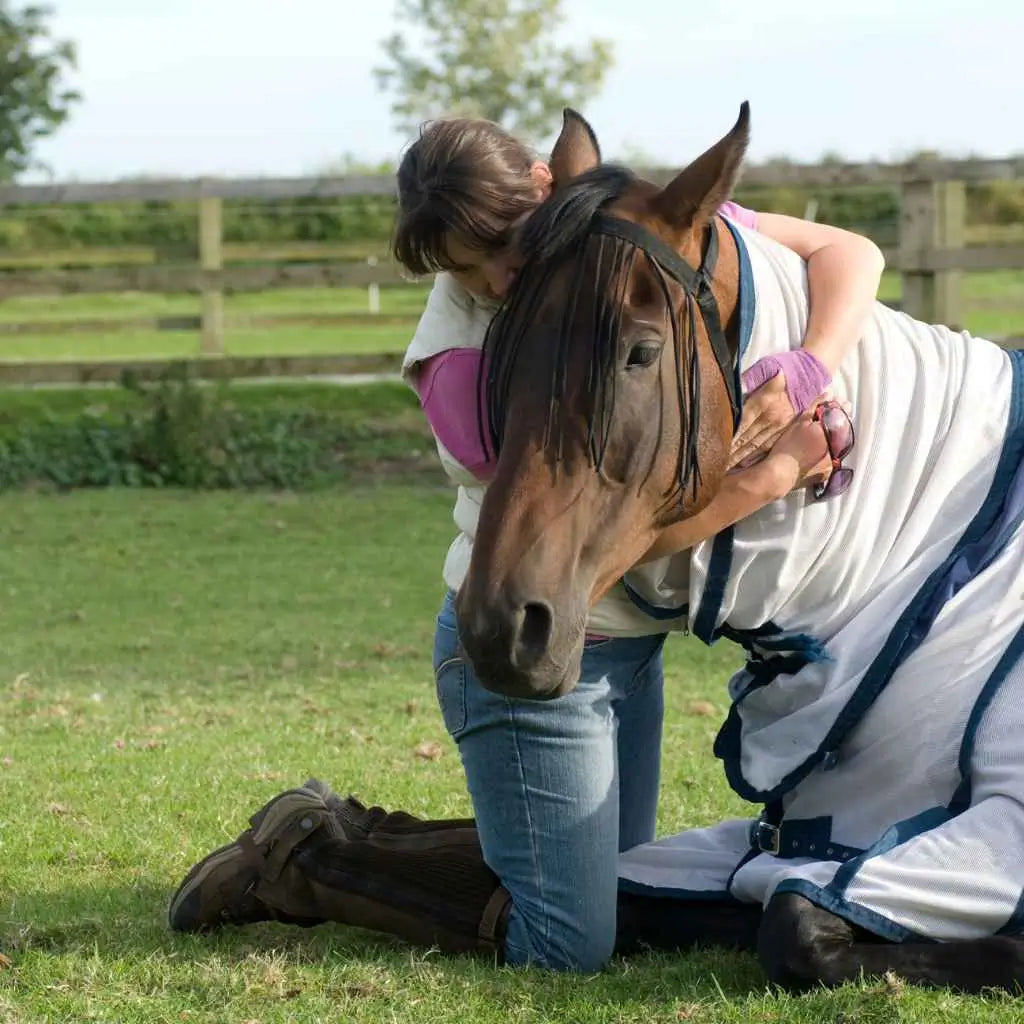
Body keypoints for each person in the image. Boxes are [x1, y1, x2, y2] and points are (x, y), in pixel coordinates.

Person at [167, 116, 884, 971]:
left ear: (550, 189)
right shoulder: (467, 365)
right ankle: (310, 864)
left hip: (622, 651)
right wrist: (770, 474)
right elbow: (632, 530)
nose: (493, 278)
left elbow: (852, 252)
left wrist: (813, 363)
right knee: (569, 944)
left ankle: (348, 834)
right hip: (519, 643)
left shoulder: (612, 248)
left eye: (502, 247)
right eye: (462, 268)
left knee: (611, 887)